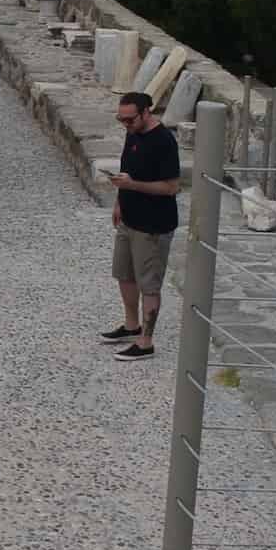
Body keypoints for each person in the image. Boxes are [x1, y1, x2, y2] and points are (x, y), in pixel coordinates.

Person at [102, 90, 180, 361]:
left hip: (153, 225)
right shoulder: (132, 132)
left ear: (146, 112)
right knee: (124, 274)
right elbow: (127, 168)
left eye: (130, 120)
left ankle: (146, 343)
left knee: (149, 283)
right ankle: (131, 326)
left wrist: (132, 186)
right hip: (129, 218)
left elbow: (171, 187)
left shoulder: (164, 141)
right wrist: (119, 202)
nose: (125, 125)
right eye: (121, 120)